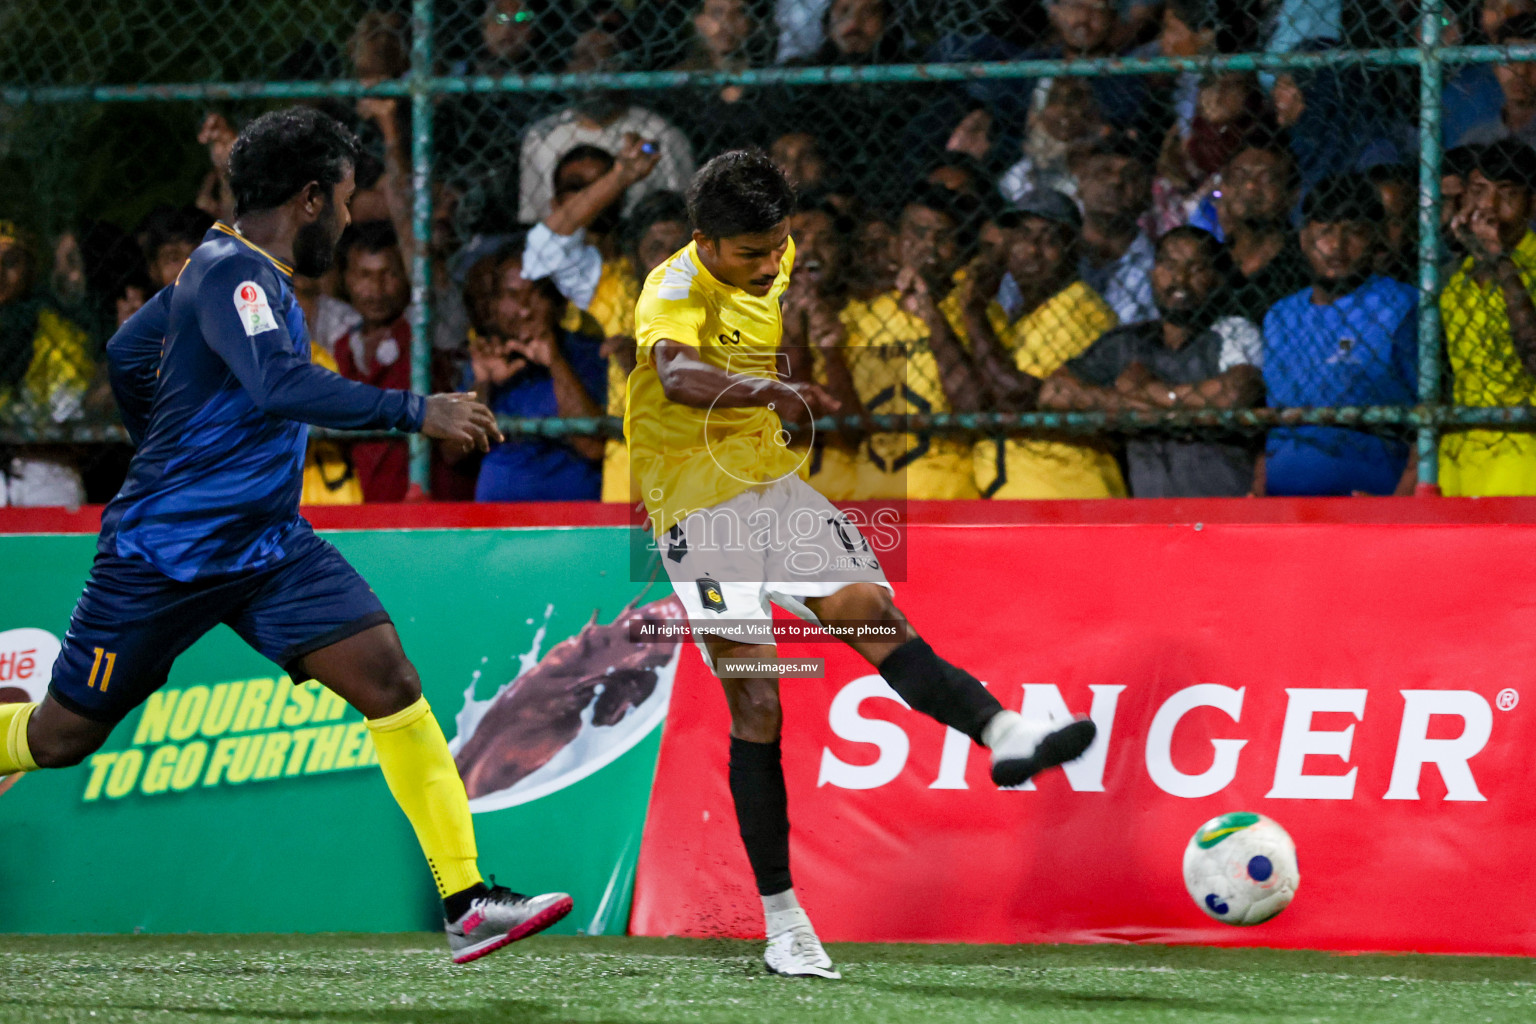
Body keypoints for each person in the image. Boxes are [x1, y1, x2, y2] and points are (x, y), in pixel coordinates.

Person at [0, 108, 574, 962]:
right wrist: (421, 410)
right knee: (58, 739)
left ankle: (467, 899)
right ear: (310, 199)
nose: (347, 220)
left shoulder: (224, 266)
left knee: (391, 680)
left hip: (268, 548)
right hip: (163, 557)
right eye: (342, 202)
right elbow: (277, 384)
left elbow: (128, 349)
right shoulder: (238, 277)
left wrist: (164, 430)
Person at [626, 148, 1096, 978]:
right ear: (704, 240)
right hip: (699, 517)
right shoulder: (671, 289)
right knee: (760, 706)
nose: (773, 264)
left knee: (876, 620)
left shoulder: (778, 252)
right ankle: (785, 925)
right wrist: (766, 392)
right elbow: (674, 373)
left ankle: (1006, 733)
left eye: (779, 247)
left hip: (775, 487)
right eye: (752, 254)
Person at [1039, 226, 1264, 496]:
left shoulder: (1233, 330)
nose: (1179, 279)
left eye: (1196, 268)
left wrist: (1151, 392)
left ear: (1215, 278)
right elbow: (1053, 392)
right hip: (1151, 515)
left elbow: (1234, 393)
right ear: (1152, 273)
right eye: (1169, 265)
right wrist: (1134, 408)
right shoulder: (1128, 341)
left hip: (1223, 507)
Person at [1259, 173, 1418, 496]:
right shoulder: (1280, 315)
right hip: (1283, 503)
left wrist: (1399, 507)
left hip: (1368, 503)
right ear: (1304, 239)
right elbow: (1271, 423)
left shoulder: (1400, 307)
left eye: (1354, 232)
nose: (1337, 246)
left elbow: (1431, 420)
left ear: (1376, 239)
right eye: (1325, 231)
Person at [961, 190, 1125, 498]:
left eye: (1048, 239)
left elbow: (1016, 398)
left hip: (1063, 494)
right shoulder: (1018, 313)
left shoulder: (1081, 310)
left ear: (1073, 249)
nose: (1031, 250)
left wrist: (972, 312)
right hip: (1018, 497)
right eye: (1022, 236)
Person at [836, 184, 982, 499]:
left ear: (957, 248)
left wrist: (932, 317)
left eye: (942, 238)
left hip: (949, 495)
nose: (928, 245)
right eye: (917, 233)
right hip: (872, 499)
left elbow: (974, 408)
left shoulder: (973, 311)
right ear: (896, 244)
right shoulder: (858, 317)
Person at [456, 244, 607, 501]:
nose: (524, 310)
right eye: (512, 295)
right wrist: (483, 383)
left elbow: (592, 447)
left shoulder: (587, 353)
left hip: (573, 518)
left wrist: (556, 362)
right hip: (497, 521)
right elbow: (455, 451)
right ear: (494, 307)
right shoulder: (486, 353)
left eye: (536, 295)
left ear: (558, 303)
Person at [518, 10, 696, 224]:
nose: (594, 71)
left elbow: (682, 217)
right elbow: (533, 220)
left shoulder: (660, 135)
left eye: (607, 58)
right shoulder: (541, 136)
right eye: (585, 58)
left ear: (627, 69)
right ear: (567, 67)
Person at [1440, 138, 1536, 495]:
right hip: (1459, 459)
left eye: (1507, 194)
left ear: (1532, 204)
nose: (1490, 207)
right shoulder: (1454, 279)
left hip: (1524, 452)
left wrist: (1500, 261)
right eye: (1479, 191)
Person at [0, 220, 97, 508]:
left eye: (11, 262)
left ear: (29, 272)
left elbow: (71, 417)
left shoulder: (58, 333)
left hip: (44, 470)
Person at [334, 221, 414, 502]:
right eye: (365, 275)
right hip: (357, 502)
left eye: (388, 274)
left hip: (416, 503)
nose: (376, 288)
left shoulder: (422, 338)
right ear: (347, 279)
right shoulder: (341, 347)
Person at [1206, 139, 1312, 322]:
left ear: (1292, 195)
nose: (1250, 186)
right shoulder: (1209, 260)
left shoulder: (1306, 263)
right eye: (1240, 176)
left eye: (1267, 179)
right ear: (1224, 186)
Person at [1076, 133, 1158, 325]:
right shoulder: (1052, 251)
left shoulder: (1158, 269)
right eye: (1104, 172)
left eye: (1131, 177)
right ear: (1081, 184)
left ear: (1148, 195)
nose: (1116, 182)